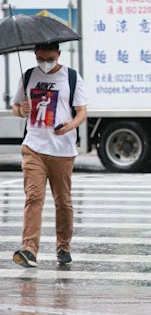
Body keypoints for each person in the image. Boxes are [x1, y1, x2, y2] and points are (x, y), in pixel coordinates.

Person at [11, 42, 88, 268]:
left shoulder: (72, 77)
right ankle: (29, 250)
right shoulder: (27, 76)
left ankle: (63, 247)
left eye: (49, 58)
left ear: (58, 55)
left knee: (63, 202)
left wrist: (70, 126)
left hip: (62, 151)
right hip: (34, 146)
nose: (45, 63)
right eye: (40, 59)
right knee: (34, 197)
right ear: (35, 56)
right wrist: (20, 111)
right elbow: (16, 106)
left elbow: (82, 111)